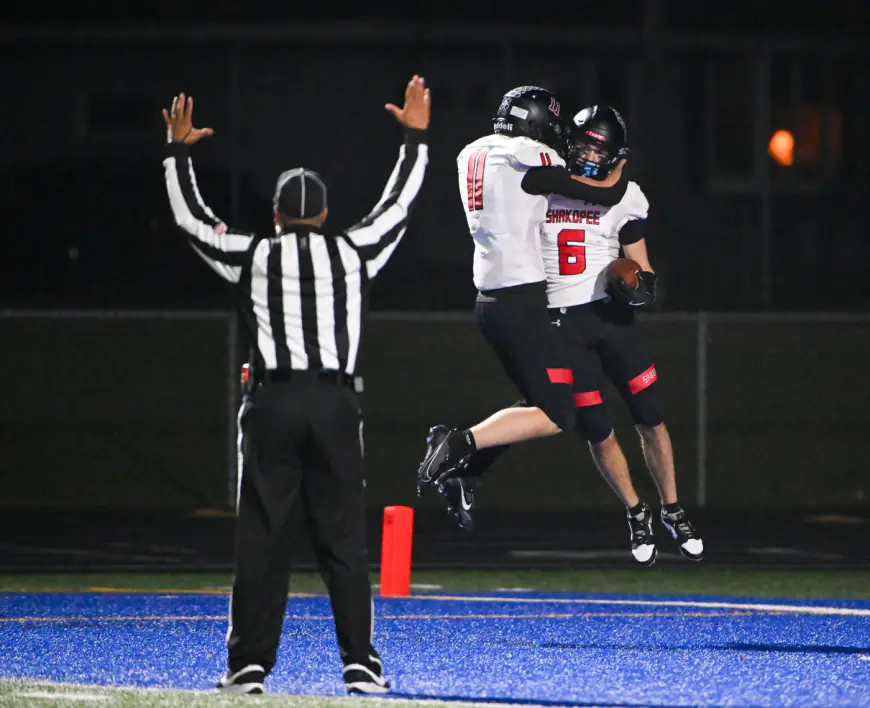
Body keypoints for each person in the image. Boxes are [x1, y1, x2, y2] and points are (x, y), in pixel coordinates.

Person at [161, 76, 430, 695]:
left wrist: (177, 154)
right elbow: (399, 206)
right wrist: (415, 138)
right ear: (326, 214)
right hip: (336, 401)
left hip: (273, 402)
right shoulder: (354, 252)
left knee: (262, 535)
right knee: (342, 537)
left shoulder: (254, 253)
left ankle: (249, 666)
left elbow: (191, 220)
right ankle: (360, 665)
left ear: (277, 214)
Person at [425, 106, 704, 567]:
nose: (591, 152)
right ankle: (636, 513)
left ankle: (673, 509)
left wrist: (637, 286)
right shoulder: (543, 177)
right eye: (586, 143)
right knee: (594, 426)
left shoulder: (625, 196)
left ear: (615, 153)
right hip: (558, 322)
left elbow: (645, 270)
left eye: (601, 147)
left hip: (611, 320)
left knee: (650, 416)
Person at [415, 86, 631, 523]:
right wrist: (622, 165)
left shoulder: (471, 153)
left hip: (490, 298)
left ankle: (467, 471)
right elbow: (604, 194)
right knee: (557, 414)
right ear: (534, 125)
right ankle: (456, 444)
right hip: (522, 300)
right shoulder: (528, 156)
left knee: (540, 400)